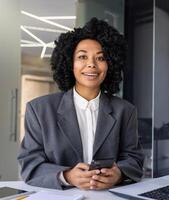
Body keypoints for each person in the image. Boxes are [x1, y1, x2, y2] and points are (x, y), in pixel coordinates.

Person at [18, 18, 144, 190]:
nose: (91, 64)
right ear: (70, 64)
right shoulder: (39, 110)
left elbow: (134, 159)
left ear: (110, 65)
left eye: (101, 58)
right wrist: (67, 176)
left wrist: (119, 173)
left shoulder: (125, 110)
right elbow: (30, 165)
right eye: (82, 56)